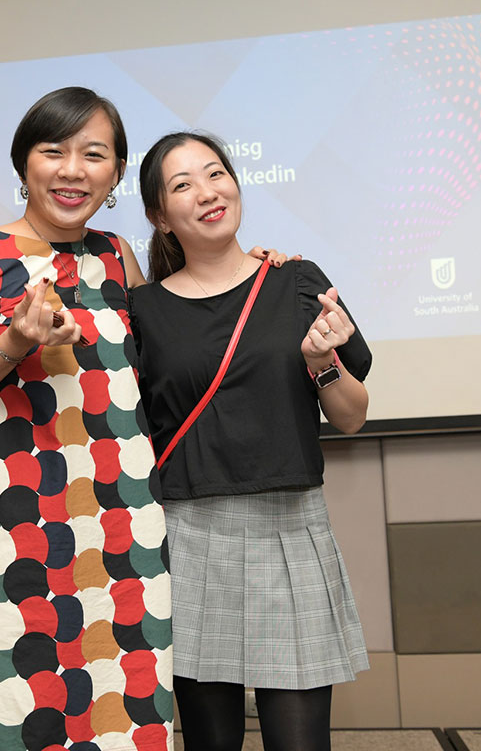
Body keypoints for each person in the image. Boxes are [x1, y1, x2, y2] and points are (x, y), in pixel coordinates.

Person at [0, 87, 177, 751]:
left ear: (116, 174)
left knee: (123, 698)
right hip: (9, 519)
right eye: (53, 151)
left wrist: (261, 270)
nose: (72, 170)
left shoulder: (117, 256)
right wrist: (13, 342)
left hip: (118, 520)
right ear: (24, 163)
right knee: (13, 699)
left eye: (94, 154)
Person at [130, 131, 371, 751]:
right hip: (189, 536)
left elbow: (351, 417)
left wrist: (322, 362)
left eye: (216, 174)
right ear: (160, 217)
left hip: (289, 527)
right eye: (183, 184)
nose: (208, 192)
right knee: (210, 742)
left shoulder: (297, 282)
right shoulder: (141, 311)